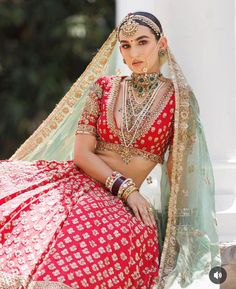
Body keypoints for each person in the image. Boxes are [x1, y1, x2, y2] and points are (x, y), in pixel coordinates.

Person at [0, 11, 220, 289]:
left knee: (76, 260)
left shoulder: (179, 100)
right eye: (126, 46)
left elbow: (180, 175)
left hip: (124, 208)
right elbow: (82, 154)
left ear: (162, 44)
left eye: (142, 42)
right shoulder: (103, 88)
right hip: (79, 185)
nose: (134, 52)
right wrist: (127, 189)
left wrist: (183, 234)